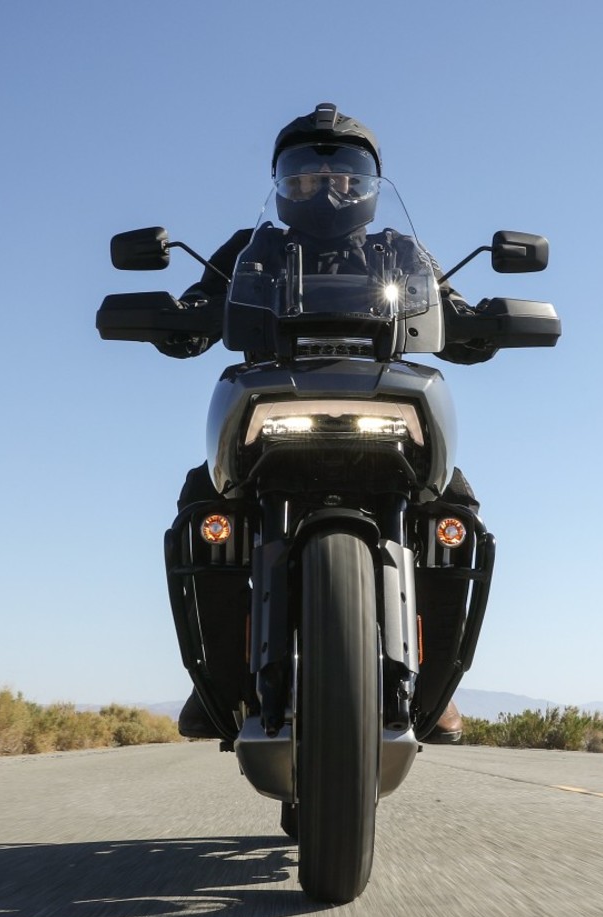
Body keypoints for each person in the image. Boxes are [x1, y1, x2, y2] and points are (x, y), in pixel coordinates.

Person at [163, 103, 473, 743]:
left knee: (454, 510)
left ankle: (436, 685)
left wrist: (488, 321)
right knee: (204, 505)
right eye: (304, 176)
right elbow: (196, 309)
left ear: (367, 186)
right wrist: (173, 316)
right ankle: (216, 681)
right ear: (282, 183)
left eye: (341, 177)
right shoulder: (251, 252)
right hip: (271, 407)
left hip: (385, 403)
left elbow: (458, 314)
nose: (323, 189)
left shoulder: (402, 252)